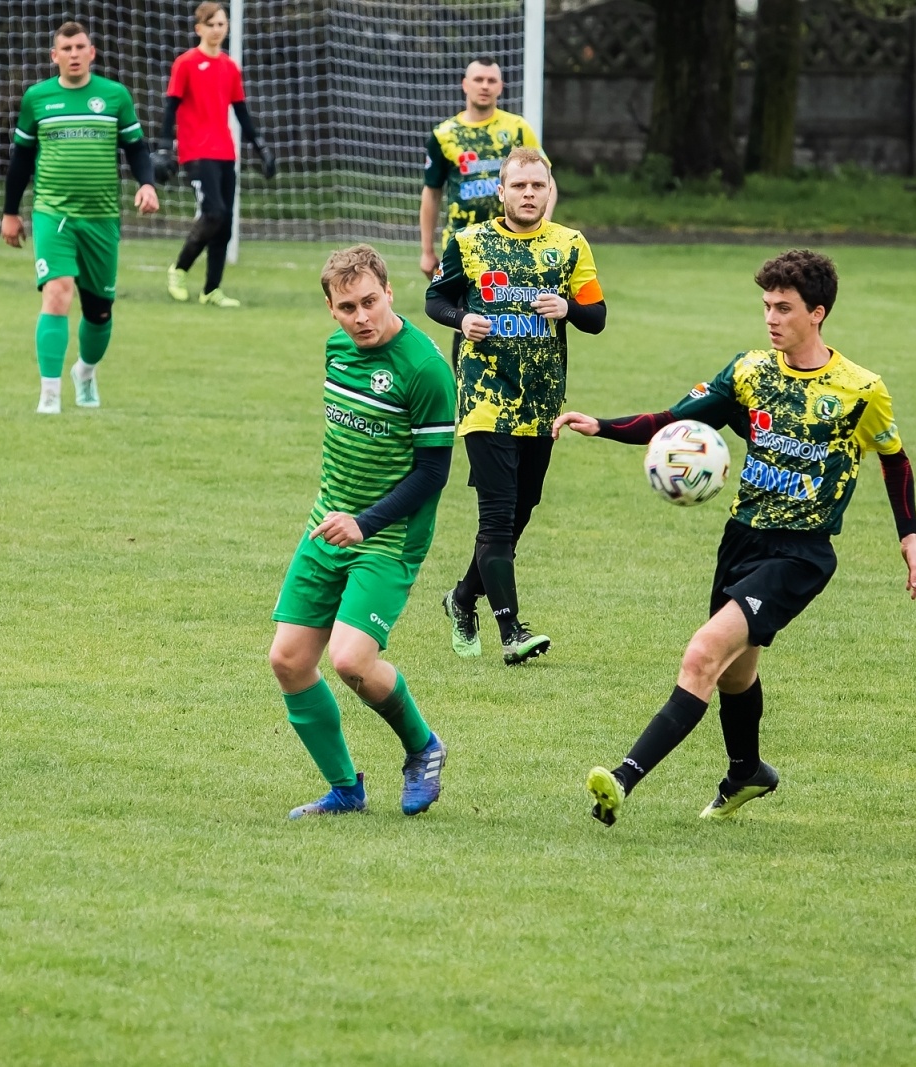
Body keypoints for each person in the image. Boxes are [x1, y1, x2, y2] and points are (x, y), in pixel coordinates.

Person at [554, 249, 916, 826]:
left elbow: (895, 461)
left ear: (818, 313)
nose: (772, 318)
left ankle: (622, 781)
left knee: (702, 653)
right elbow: (675, 420)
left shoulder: (860, 390)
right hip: (741, 540)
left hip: (802, 553)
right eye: (766, 306)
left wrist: (910, 539)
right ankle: (747, 772)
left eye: (784, 308)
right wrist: (600, 426)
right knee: (735, 672)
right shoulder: (751, 372)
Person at [268, 245, 456, 819]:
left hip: (387, 537)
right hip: (328, 525)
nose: (362, 317)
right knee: (289, 661)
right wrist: (341, 515)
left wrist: (365, 522)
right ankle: (346, 790)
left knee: (350, 660)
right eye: (347, 307)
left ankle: (423, 747)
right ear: (331, 310)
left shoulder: (424, 369)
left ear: (390, 293)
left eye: (370, 302)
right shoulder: (336, 351)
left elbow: (434, 473)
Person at [425, 147, 606, 665]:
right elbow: (435, 299)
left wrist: (569, 308)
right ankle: (511, 632)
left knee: (522, 510)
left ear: (549, 193)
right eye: (519, 186)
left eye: (538, 187)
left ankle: (462, 599)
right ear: (500, 191)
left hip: (543, 401)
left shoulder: (570, 245)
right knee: (498, 518)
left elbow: (597, 316)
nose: (529, 194)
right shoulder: (468, 241)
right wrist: (462, 320)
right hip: (484, 396)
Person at [2, 21, 159, 415]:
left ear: (92, 52)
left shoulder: (114, 96)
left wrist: (147, 184)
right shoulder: (38, 98)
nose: (74, 53)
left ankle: (85, 373)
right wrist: (9, 213)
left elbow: (137, 148)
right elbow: (20, 160)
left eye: (80, 46)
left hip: (102, 218)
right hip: (52, 214)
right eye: (66, 48)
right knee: (57, 293)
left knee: (99, 310)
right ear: (54, 56)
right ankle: (49, 395)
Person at [420, 56, 556, 356]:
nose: (484, 86)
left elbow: (547, 179)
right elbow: (432, 193)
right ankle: (469, 395)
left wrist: (542, 227)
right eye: (478, 79)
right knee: (468, 326)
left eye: (491, 80)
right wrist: (427, 250)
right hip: (464, 247)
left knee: (518, 322)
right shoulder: (445, 135)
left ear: (501, 87)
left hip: (514, 245)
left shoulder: (517, 129)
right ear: (464, 85)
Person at [160, 1, 277, 309]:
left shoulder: (229, 67)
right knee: (213, 214)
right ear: (199, 28)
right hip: (195, 152)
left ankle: (212, 290)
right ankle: (179, 269)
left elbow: (241, 111)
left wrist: (260, 147)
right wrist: (162, 146)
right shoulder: (185, 63)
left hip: (225, 152)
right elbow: (170, 106)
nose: (217, 30)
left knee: (224, 224)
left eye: (221, 24)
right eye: (211, 24)